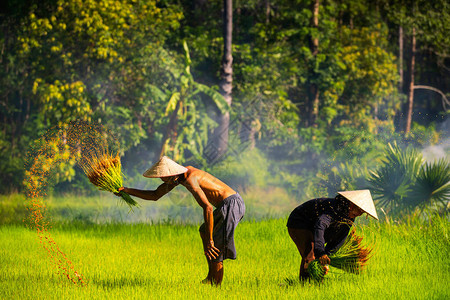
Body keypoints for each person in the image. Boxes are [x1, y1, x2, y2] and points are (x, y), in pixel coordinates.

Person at [118, 156, 245, 285]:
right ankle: (211, 277)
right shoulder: (179, 178)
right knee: (204, 231)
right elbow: (155, 195)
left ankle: (216, 286)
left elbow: (208, 208)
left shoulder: (190, 178)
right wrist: (127, 191)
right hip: (227, 205)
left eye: (163, 177)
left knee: (215, 246)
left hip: (231, 204)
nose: (162, 180)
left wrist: (210, 240)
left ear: (172, 174)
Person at [286, 190, 378, 281]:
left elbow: (341, 237)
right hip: (299, 222)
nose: (358, 214)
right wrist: (321, 252)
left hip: (313, 227)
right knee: (310, 256)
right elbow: (320, 226)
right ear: (351, 204)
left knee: (318, 260)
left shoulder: (349, 217)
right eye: (358, 210)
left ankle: (308, 285)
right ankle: (306, 284)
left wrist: (327, 255)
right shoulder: (333, 208)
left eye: (361, 212)